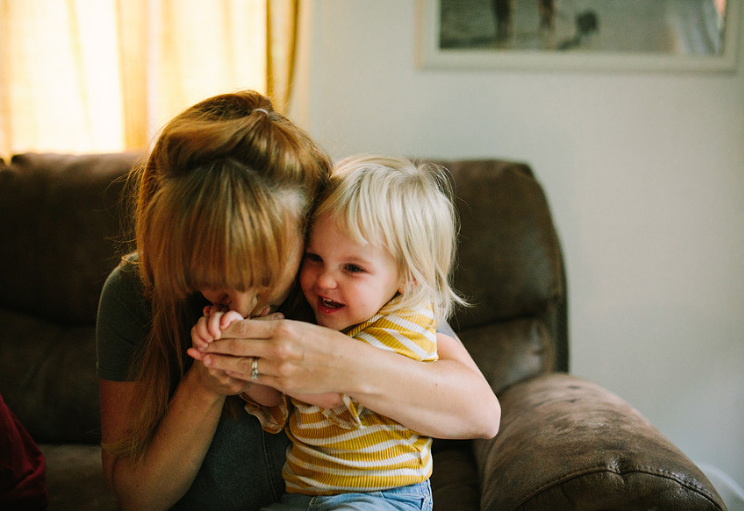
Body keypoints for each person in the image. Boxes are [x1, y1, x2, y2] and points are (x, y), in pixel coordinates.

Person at [97, 90, 500, 510]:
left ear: (308, 228)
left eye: (263, 276)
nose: (239, 302)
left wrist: (343, 363)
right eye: (210, 277)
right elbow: (139, 496)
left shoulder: (347, 275)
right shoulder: (133, 290)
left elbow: (481, 413)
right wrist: (205, 384)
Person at [193, 155, 466, 509]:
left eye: (352, 268)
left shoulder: (406, 322)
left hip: (380, 499)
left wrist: (260, 347)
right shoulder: (321, 321)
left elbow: (331, 390)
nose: (324, 280)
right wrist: (230, 352)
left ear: (409, 276)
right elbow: (275, 398)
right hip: (304, 497)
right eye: (315, 257)